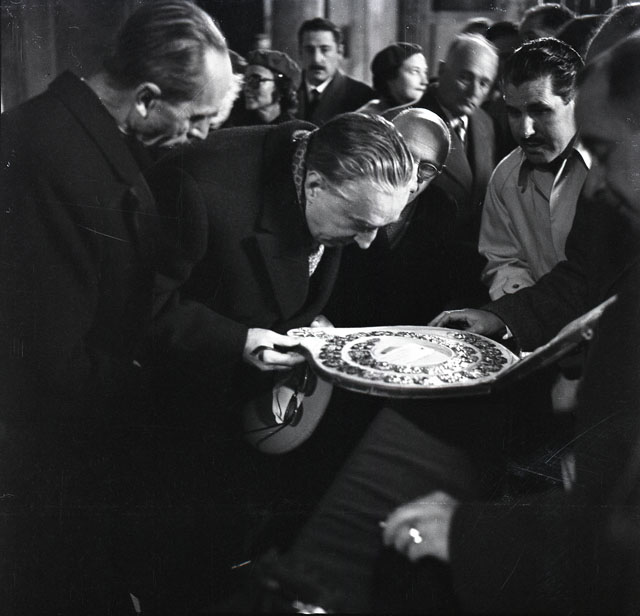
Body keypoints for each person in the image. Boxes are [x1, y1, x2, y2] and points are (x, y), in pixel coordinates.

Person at [250, 32, 640, 615]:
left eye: (603, 151)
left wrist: (470, 535)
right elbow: (560, 275)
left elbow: (620, 527)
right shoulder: (560, 187)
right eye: (513, 112)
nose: (599, 180)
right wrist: (507, 318)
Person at [0, 1, 234, 614]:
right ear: (147, 99)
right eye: (198, 117)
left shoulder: (90, 136)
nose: (204, 135)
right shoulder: (44, 155)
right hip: (49, 467)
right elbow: (49, 365)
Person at [479, 38, 589, 300]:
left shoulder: (620, 168)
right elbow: (504, 262)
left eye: (540, 111)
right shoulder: (504, 177)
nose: (525, 130)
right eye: (514, 113)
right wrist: (529, 314)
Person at [326, 107, 456, 327]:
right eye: (404, 156)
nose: (410, 176)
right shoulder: (345, 189)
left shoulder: (441, 209)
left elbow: (432, 296)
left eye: (427, 168)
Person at [415, 33, 498, 247]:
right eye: (466, 77)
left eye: (484, 83)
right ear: (442, 71)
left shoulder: (485, 122)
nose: (474, 92)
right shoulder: (406, 120)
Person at [296, 17, 374, 125]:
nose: (316, 59)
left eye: (325, 50)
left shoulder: (362, 96)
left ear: (340, 52)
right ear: (300, 52)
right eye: (309, 50)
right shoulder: (285, 90)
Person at [357, 43, 428, 116]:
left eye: (425, 72)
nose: (425, 82)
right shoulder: (366, 118)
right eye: (415, 71)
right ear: (390, 75)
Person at [234, 49, 301, 125]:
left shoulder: (293, 129)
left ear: (281, 86)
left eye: (255, 80)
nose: (246, 88)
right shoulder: (237, 126)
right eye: (245, 80)